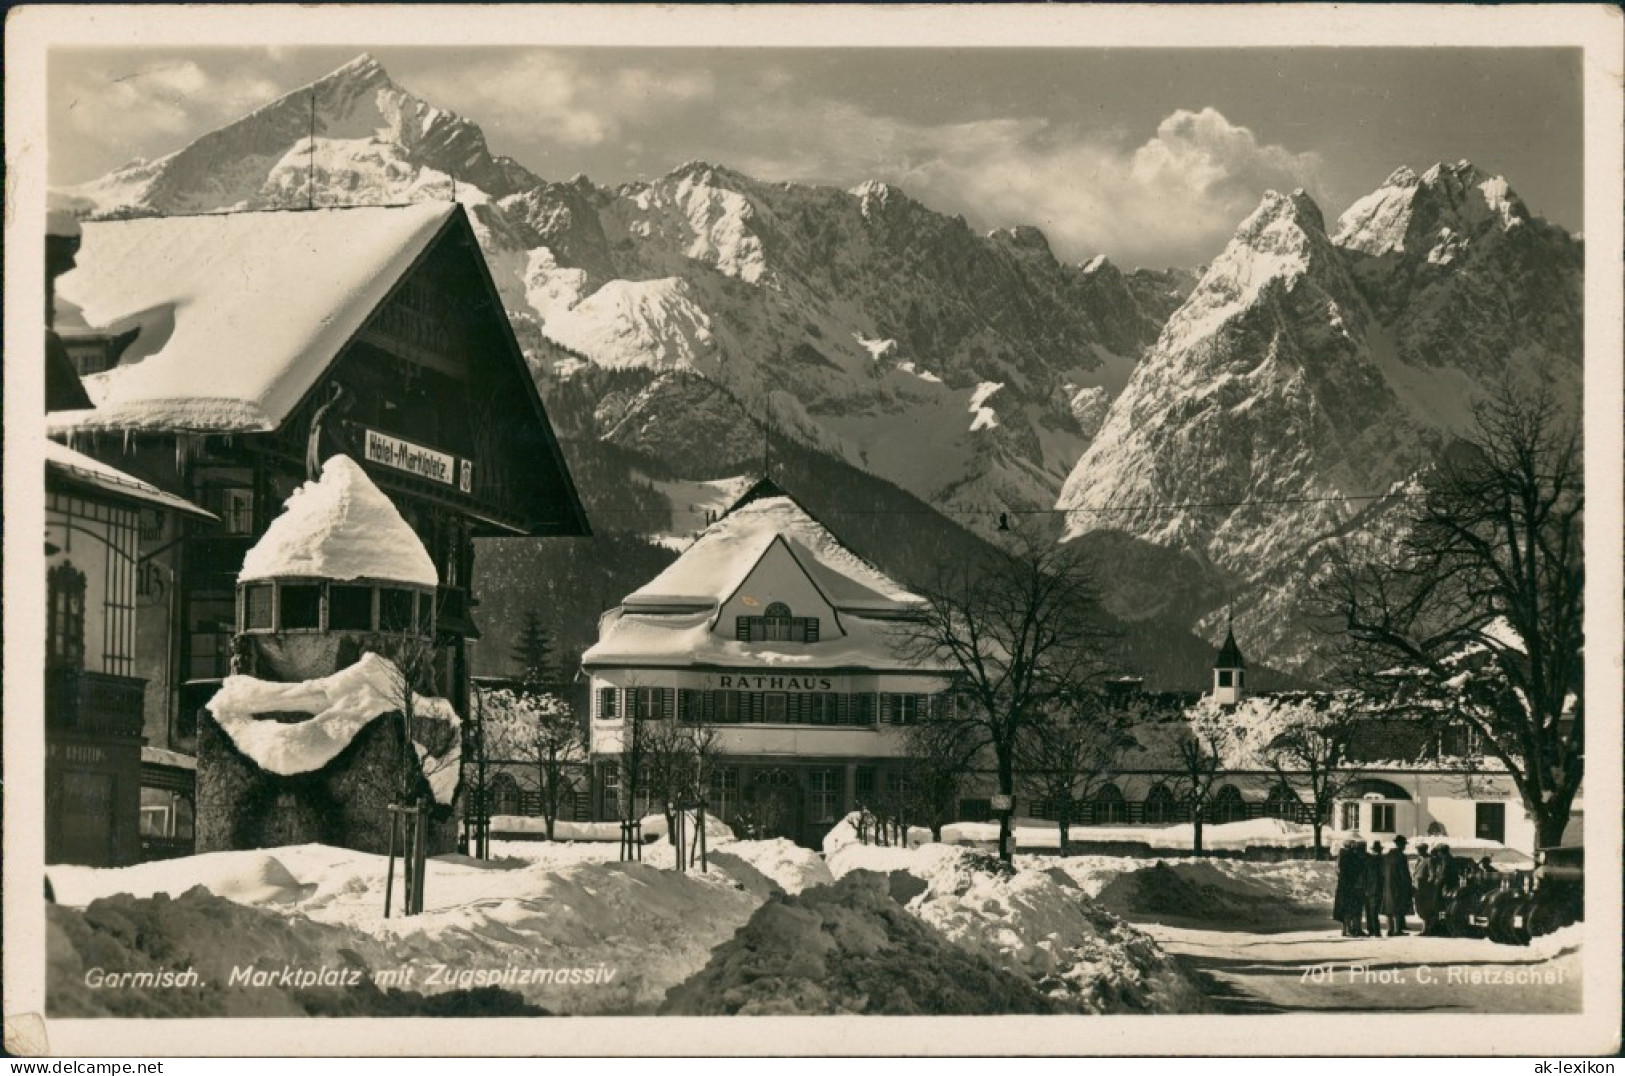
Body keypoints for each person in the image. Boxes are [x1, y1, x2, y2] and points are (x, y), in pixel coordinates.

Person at [1333, 838, 1367, 936]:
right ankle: (1350, 929)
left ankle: (1346, 929)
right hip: (1349, 886)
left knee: (1347, 909)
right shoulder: (1349, 857)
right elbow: (1352, 871)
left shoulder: (1342, 856)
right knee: (1350, 909)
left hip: (1344, 886)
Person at [1383, 834, 1415, 935]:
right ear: (1401, 845)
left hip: (1387, 885)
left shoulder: (1387, 856)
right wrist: (1408, 885)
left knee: (1389, 907)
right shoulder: (1401, 857)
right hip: (1398, 885)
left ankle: (1390, 929)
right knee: (1397, 907)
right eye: (1404, 844)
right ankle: (1397, 930)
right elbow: (1404, 873)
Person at [1413, 842, 1442, 935]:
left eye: (1419, 850)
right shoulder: (1419, 859)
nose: (1418, 852)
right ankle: (1425, 929)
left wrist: (1427, 885)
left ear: (1424, 850)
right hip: (1418, 888)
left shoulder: (1429, 859)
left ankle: (1426, 930)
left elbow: (1432, 875)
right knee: (1420, 908)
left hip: (1424, 889)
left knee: (1425, 909)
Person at [1364, 840, 1386, 937]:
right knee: (1374, 910)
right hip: (1378, 888)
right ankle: (1376, 930)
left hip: (1369, 888)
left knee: (1369, 910)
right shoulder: (1383, 860)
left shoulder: (1369, 860)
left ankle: (1371, 929)